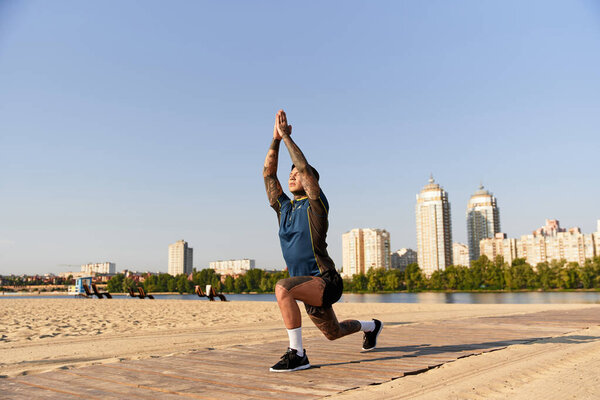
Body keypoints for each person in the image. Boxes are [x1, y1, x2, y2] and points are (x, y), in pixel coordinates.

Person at [263, 109, 383, 372]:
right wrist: (274, 140)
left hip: (325, 281)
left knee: (282, 288)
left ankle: (298, 354)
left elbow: (305, 168)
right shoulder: (284, 208)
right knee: (333, 332)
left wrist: (286, 137)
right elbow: (269, 175)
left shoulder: (316, 205)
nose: (292, 174)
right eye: (290, 173)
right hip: (305, 287)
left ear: (311, 182)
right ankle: (372, 326)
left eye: (297, 173)